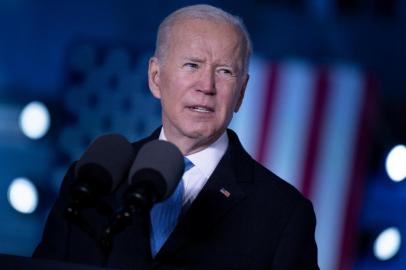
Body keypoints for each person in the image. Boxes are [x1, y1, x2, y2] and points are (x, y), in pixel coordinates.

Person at [33, 4, 319, 269]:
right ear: (156, 77)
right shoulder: (93, 180)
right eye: (192, 65)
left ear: (241, 93)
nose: (206, 86)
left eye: (224, 71)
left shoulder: (284, 214)